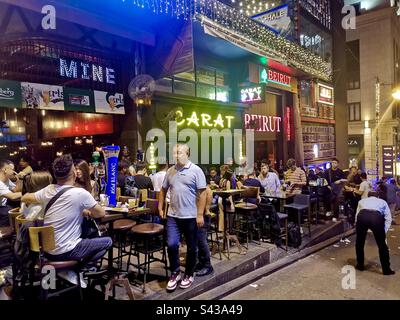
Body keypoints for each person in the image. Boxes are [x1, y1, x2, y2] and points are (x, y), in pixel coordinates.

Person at [21, 155, 112, 286]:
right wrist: (83, 210)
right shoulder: (80, 193)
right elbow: (100, 213)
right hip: (67, 250)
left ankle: (64, 271)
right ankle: (73, 268)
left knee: (84, 238)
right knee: (107, 241)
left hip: (47, 251)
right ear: (74, 172)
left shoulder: (48, 190)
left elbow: (25, 197)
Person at [158, 144, 207, 291]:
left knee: (192, 248)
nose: (176, 155)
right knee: (172, 244)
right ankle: (175, 272)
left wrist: (199, 214)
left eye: (179, 153)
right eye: (174, 153)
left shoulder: (196, 171)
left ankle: (189, 274)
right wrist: (160, 207)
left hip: (191, 216)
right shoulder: (170, 171)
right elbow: (163, 189)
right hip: (173, 216)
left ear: (187, 153)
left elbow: (203, 193)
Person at [355, 191, 395, 275]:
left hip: (362, 216)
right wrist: (383, 231)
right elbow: (388, 217)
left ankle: (360, 265)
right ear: (378, 196)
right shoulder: (382, 202)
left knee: (359, 243)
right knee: (382, 245)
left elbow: (357, 214)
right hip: (376, 218)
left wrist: (357, 226)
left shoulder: (361, 201)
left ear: (368, 196)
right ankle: (386, 270)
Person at [194, 186, 214, 277]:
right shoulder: (198, 187)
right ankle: (201, 263)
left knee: (202, 241)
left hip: (203, 217)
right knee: (198, 241)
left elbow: (209, 193)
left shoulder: (206, 189)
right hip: (196, 216)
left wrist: (206, 209)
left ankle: (208, 265)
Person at [0, 160, 22, 226]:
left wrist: (19, 179)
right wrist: (30, 193)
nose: (14, 172)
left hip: (3, 206)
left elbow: (16, 190)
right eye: (12, 170)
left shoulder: (6, 180)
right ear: (5, 170)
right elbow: (13, 196)